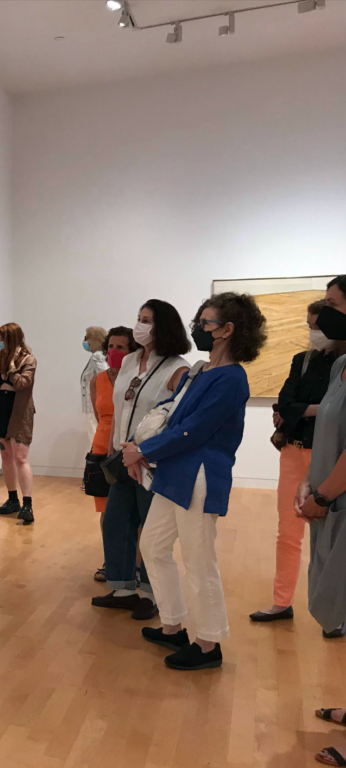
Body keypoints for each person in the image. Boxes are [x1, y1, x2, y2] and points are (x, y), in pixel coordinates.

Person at [125, 292, 265, 671]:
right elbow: (170, 414)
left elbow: (194, 431)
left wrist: (143, 451)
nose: (198, 328)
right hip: (175, 471)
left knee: (199, 560)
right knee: (153, 546)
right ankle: (173, 626)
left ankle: (208, 644)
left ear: (228, 330)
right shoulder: (199, 370)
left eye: (205, 322)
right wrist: (140, 445)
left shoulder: (232, 379)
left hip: (201, 474)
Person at [92, 300, 190, 621]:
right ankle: (123, 588)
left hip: (153, 461)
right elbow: (119, 408)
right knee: (117, 521)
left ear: (162, 326)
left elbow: (179, 415)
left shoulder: (177, 367)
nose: (140, 325)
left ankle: (151, 594)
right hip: (122, 457)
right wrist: (109, 448)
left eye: (146, 320)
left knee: (151, 530)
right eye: (138, 318)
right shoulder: (132, 360)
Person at [250, 300, 342, 624]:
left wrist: (301, 409)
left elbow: (295, 408)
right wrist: (317, 408)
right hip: (293, 452)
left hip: (329, 455)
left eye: (318, 326)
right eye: (310, 326)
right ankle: (281, 601)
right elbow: (284, 402)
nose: (313, 333)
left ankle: (335, 613)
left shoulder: (342, 365)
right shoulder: (301, 361)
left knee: (333, 537)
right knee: (288, 531)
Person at [293, 277, 346, 766]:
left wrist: (324, 496)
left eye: (331, 305)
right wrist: (309, 483)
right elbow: (327, 430)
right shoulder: (343, 365)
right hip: (330, 500)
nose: (322, 316)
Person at [89, 326, 139, 581]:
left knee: (134, 511)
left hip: (130, 448)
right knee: (106, 512)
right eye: (111, 346)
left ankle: (137, 564)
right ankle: (111, 563)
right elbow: (101, 416)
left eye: (121, 347)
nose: (113, 352)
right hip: (102, 450)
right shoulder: (97, 380)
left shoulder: (137, 378)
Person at [0, 323, 37, 525]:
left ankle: (27, 504)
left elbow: (23, 383)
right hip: (1, 411)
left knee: (20, 458)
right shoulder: (1, 359)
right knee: (6, 456)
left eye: (3, 338)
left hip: (19, 414)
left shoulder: (28, 360)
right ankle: (12, 499)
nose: (0, 342)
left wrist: (13, 368)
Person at [81, 326, 109, 448]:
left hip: (93, 406)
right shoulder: (102, 355)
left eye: (87, 338)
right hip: (95, 405)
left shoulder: (97, 356)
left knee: (96, 441)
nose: (84, 341)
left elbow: (106, 374)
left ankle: (98, 466)